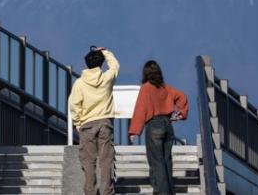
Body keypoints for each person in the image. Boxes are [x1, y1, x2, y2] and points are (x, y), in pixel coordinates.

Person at [128, 60, 188, 195]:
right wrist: (181, 114)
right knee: (167, 160)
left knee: (157, 161)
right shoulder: (165, 88)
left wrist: (134, 131)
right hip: (167, 125)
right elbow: (182, 97)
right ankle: (170, 191)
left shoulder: (146, 88)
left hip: (154, 125)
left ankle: (162, 192)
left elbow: (140, 109)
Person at [68, 46, 120, 195]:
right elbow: (115, 65)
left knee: (88, 162)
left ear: (86, 64)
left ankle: (90, 191)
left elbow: (74, 104)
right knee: (106, 160)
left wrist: (78, 123)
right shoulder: (106, 78)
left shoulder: (79, 83)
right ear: (101, 63)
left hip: (87, 125)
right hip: (105, 123)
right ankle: (106, 191)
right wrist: (105, 52)